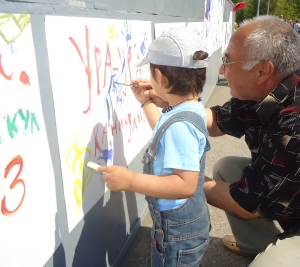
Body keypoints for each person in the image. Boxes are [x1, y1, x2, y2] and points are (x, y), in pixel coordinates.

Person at [137, 15, 300, 266]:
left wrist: (182, 180)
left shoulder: (295, 125)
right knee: (227, 169)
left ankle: (275, 255)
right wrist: (174, 102)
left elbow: (246, 203)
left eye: (228, 61)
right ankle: (259, 246)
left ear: (262, 70)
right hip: (290, 195)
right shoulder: (263, 90)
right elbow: (214, 121)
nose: (222, 70)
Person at [97, 28, 211, 266]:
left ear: (160, 77)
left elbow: (185, 184)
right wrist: (147, 101)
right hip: (186, 224)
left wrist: (131, 181)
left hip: (178, 233)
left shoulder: (180, 126)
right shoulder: (191, 108)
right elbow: (163, 128)